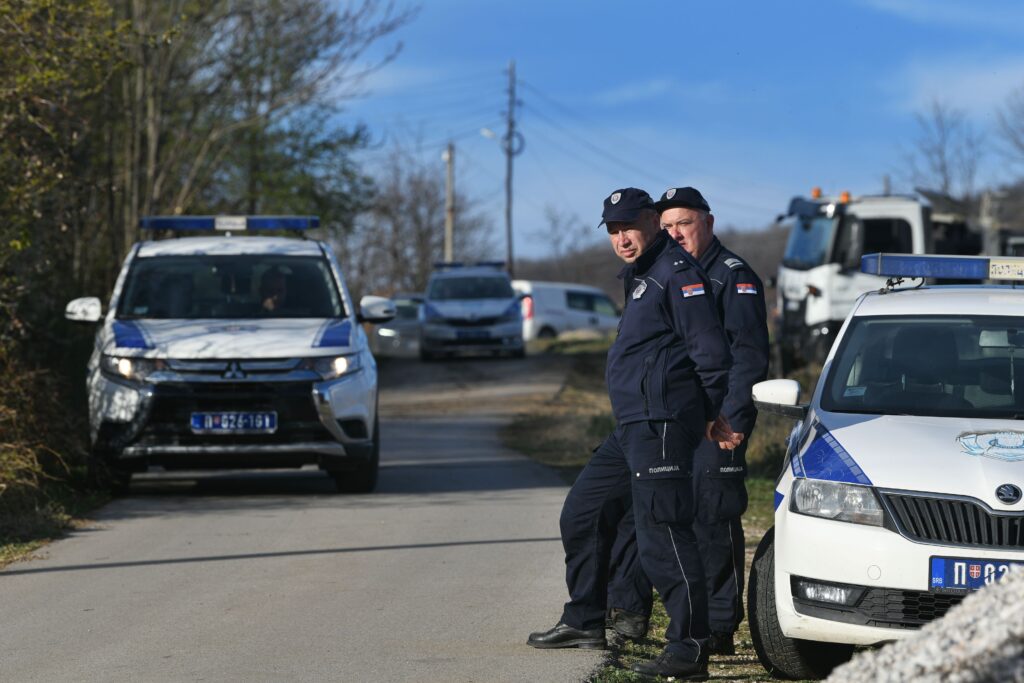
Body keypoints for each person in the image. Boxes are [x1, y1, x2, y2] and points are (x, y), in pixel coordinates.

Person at [528, 188, 738, 681]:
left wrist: (709, 412)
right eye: (613, 231)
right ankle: (585, 619)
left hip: (663, 423)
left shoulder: (677, 275)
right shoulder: (642, 275)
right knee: (583, 512)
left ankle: (689, 648)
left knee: (662, 535)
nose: (621, 238)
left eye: (629, 227)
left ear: (652, 221)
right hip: (633, 425)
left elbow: (712, 352)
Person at [606, 187, 770, 656]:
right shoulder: (660, 272)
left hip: (716, 422)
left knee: (712, 518)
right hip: (675, 417)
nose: (676, 232)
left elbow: (747, 356)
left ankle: (719, 626)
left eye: (685, 223)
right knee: (653, 512)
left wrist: (732, 420)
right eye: (669, 224)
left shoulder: (732, 276)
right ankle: (632, 612)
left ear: (709, 223)